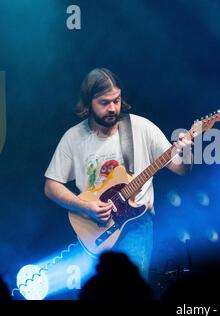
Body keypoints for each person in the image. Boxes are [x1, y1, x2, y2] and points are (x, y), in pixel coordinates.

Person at [44, 68, 192, 282]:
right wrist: (85, 206)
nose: (112, 108)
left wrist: (186, 151)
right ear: (88, 103)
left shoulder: (142, 128)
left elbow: (181, 169)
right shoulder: (74, 137)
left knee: (130, 292)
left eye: (117, 100)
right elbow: (51, 186)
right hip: (94, 226)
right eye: (104, 103)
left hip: (135, 225)